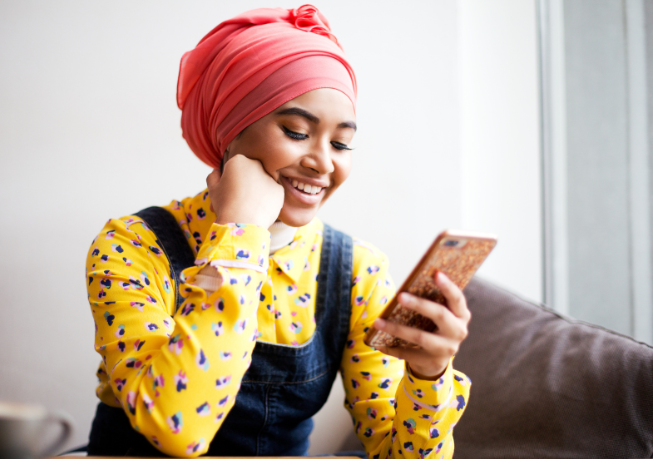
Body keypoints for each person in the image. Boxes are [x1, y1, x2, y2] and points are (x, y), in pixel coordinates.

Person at [85, 5, 471, 458]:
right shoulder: (132, 245)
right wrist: (241, 235)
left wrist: (429, 374)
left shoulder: (357, 271)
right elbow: (177, 429)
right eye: (296, 131)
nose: (324, 163)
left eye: (341, 143)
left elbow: (397, 454)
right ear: (230, 132)